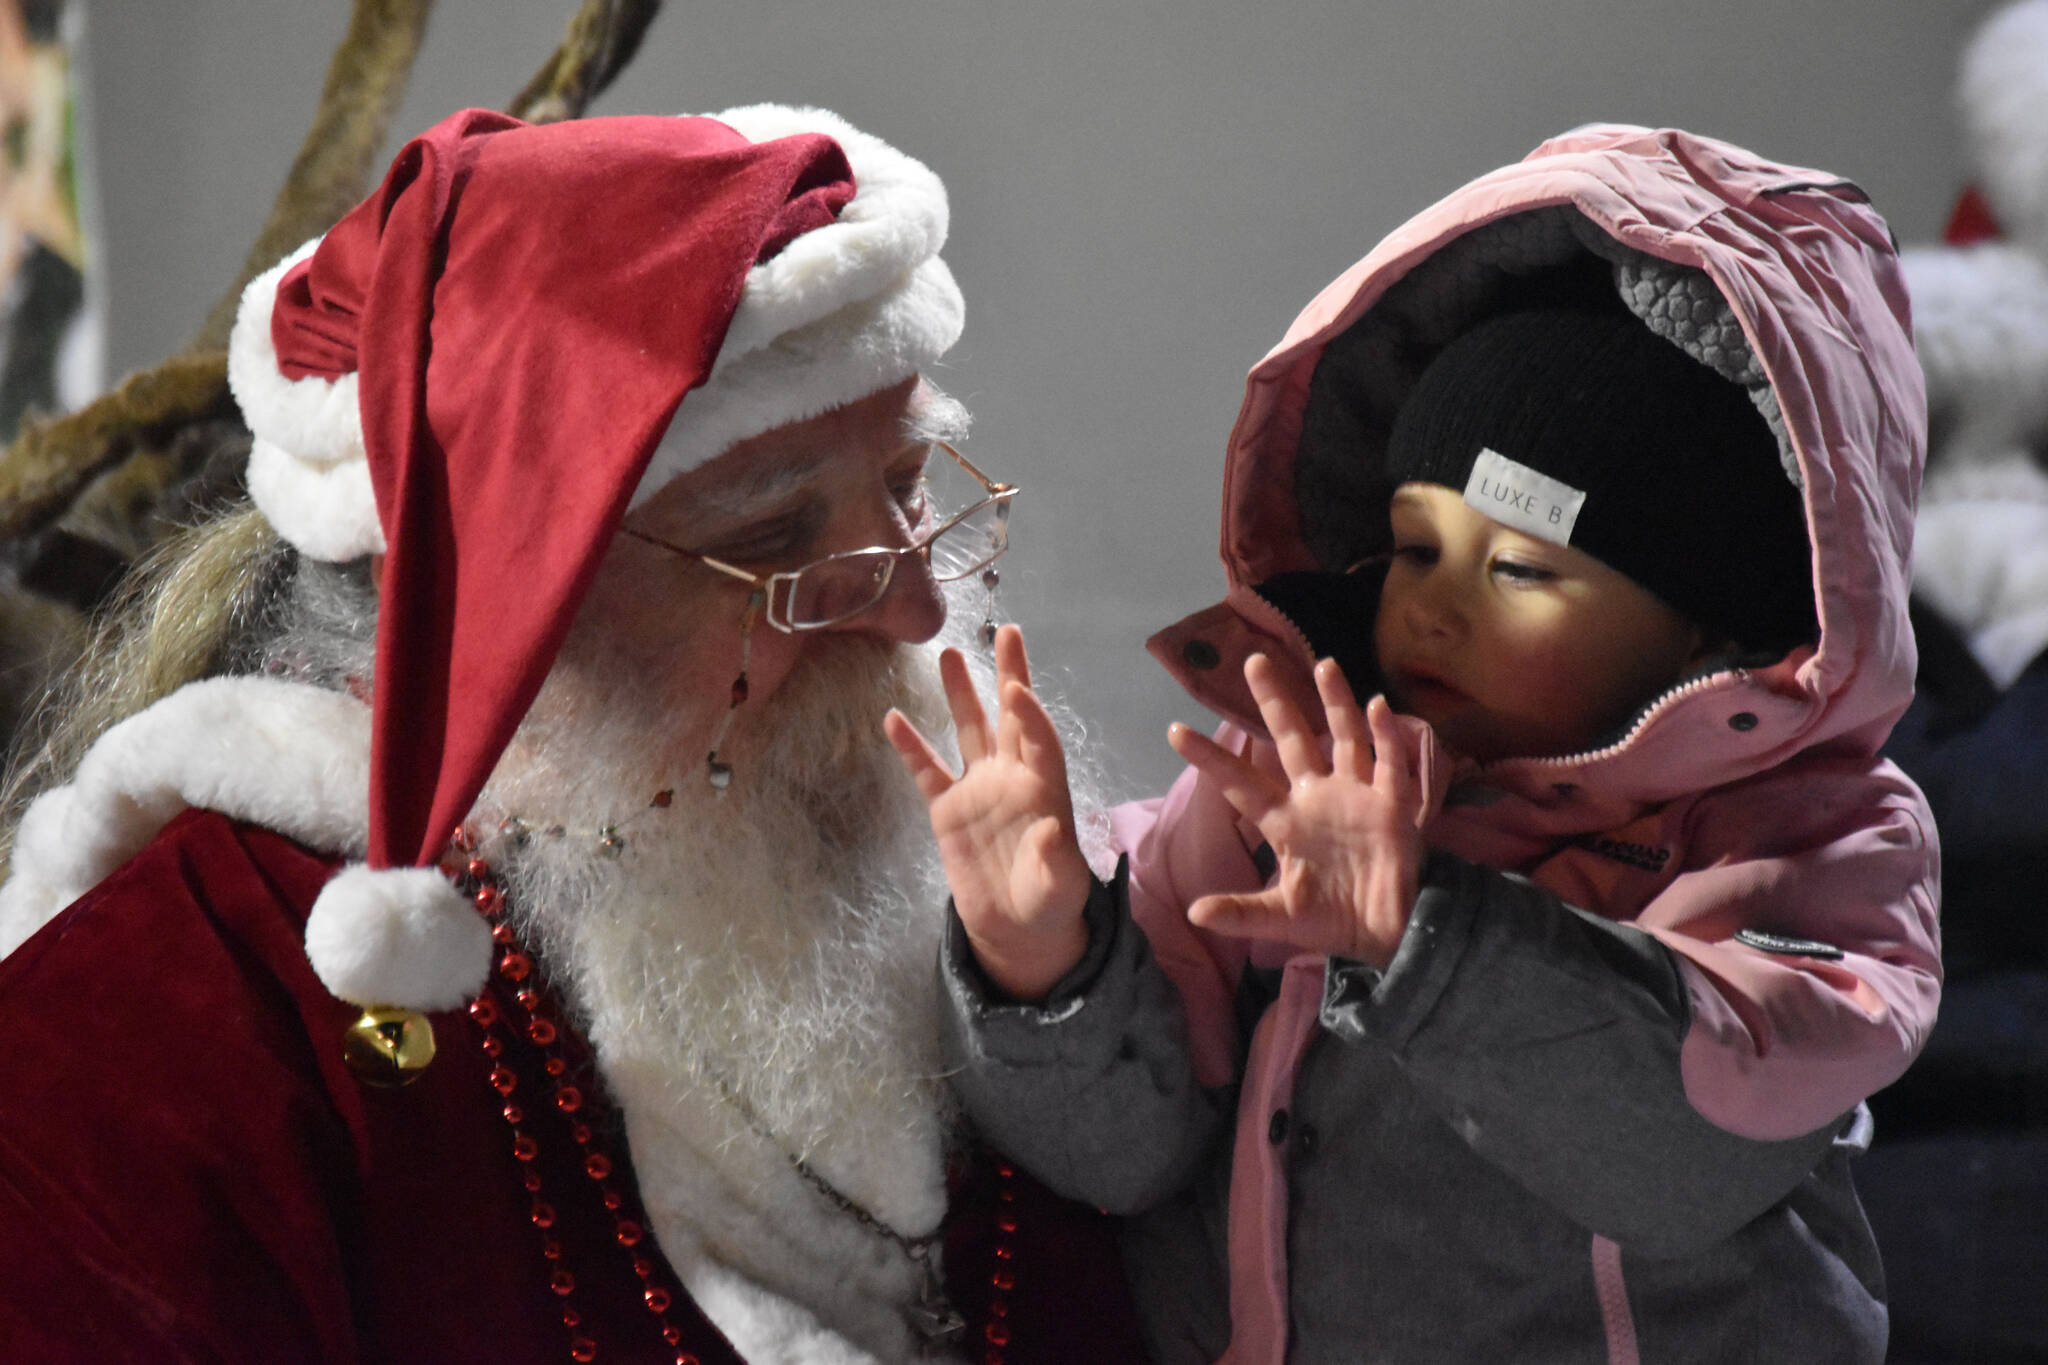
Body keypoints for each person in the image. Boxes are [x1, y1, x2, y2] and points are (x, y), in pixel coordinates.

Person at [0, 105, 1140, 1365]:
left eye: (913, 490)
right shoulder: (152, 1037)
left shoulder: (997, 901)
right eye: (771, 544)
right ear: (489, 616)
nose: (920, 608)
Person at [888, 124, 1940, 1364]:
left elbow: (1688, 1157)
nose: (1434, 606)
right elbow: (1119, 1161)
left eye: (1517, 568)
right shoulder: (1276, 783)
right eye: (1412, 547)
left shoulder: (1811, 841)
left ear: (1695, 630)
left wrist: (1422, 934)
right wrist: (1040, 961)